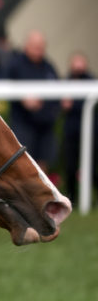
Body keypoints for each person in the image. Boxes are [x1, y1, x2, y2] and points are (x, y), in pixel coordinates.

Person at [3, 30, 60, 174]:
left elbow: (56, 90)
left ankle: (43, 196)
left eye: (41, 47)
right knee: (24, 165)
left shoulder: (48, 66)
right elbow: (4, 85)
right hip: (24, 125)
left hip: (45, 126)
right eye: (36, 47)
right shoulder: (15, 65)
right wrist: (23, 99)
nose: (39, 51)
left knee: (42, 167)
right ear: (27, 45)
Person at [61, 51, 96, 203]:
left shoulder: (91, 80)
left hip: (91, 132)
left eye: (81, 62)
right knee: (70, 166)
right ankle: (72, 197)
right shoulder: (66, 81)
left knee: (93, 167)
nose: (78, 66)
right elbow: (62, 105)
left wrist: (72, 104)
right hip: (71, 131)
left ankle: (89, 198)